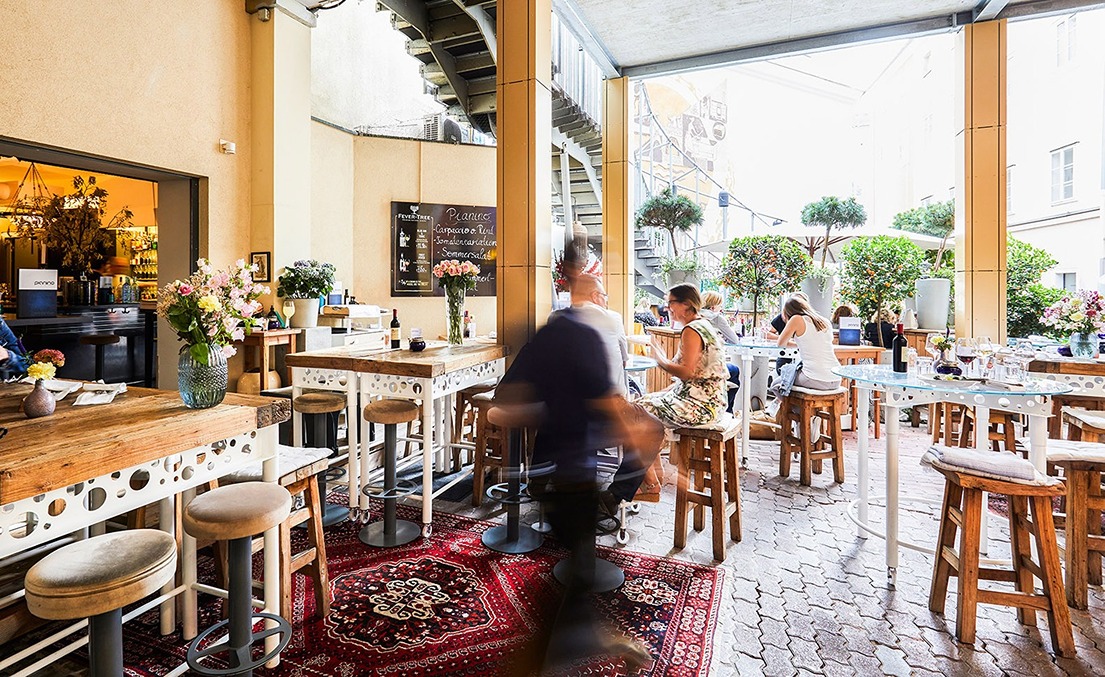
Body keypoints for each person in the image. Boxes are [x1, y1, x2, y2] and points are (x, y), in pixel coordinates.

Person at [497, 304, 653, 674]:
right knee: (578, 581)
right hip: (578, 473)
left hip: (549, 472)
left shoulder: (548, 336)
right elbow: (607, 404)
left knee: (577, 584)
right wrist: (639, 450)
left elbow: (508, 397)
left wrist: (543, 411)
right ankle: (581, 650)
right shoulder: (588, 338)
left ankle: (565, 651)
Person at [638, 284, 729, 428]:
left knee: (637, 410)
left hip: (701, 406)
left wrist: (660, 360)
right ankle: (655, 449)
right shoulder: (703, 324)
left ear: (686, 304)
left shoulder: (691, 330)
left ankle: (651, 450)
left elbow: (687, 373)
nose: (667, 308)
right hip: (712, 401)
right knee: (645, 400)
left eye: (670, 303)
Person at [775, 294, 843, 391]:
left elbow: (780, 344)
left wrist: (797, 344)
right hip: (836, 377)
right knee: (790, 376)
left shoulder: (796, 319)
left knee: (776, 384)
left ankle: (788, 406)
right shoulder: (824, 320)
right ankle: (799, 406)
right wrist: (801, 345)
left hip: (815, 378)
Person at [700, 290, 741, 413]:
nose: (721, 308)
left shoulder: (694, 316)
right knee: (735, 370)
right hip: (710, 366)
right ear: (713, 307)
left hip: (694, 364)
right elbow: (735, 340)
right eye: (720, 305)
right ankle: (727, 411)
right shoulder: (717, 318)